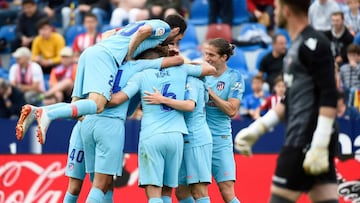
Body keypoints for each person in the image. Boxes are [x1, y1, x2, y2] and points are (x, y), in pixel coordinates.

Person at [15, 14, 188, 144]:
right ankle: (48, 114)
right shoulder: (163, 27)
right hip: (105, 58)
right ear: (176, 30)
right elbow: (144, 32)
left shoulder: (138, 26)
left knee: (79, 111)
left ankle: (36, 110)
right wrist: (129, 54)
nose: (174, 43)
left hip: (90, 53)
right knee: (97, 105)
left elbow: (108, 33)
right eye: (177, 39)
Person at [235, 0, 339, 203]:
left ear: (287, 10)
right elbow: (289, 99)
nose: (275, 12)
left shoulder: (315, 43)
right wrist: (258, 129)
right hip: (308, 139)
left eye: (278, 7)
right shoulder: (295, 47)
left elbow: (329, 93)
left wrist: (319, 142)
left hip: (304, 139)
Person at [107, 47, 216, 203]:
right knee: (167, 190)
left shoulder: (141, 75)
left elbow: (119, 99)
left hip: (152, 136)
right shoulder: (181, 70)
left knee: (154, 193)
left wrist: (96, 101)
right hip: (176, 136)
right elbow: (209, 69)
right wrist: (179, 61)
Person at [202, 38, 244, 203]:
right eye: (206, 53)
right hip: (198, 139)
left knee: (227, 192)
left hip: (220, 139)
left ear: (224, 57)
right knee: (190, 190)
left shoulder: (234, 77)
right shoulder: (201, 73)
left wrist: (211, 93)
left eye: (211, 55)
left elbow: (232, 110)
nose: (207, 58)